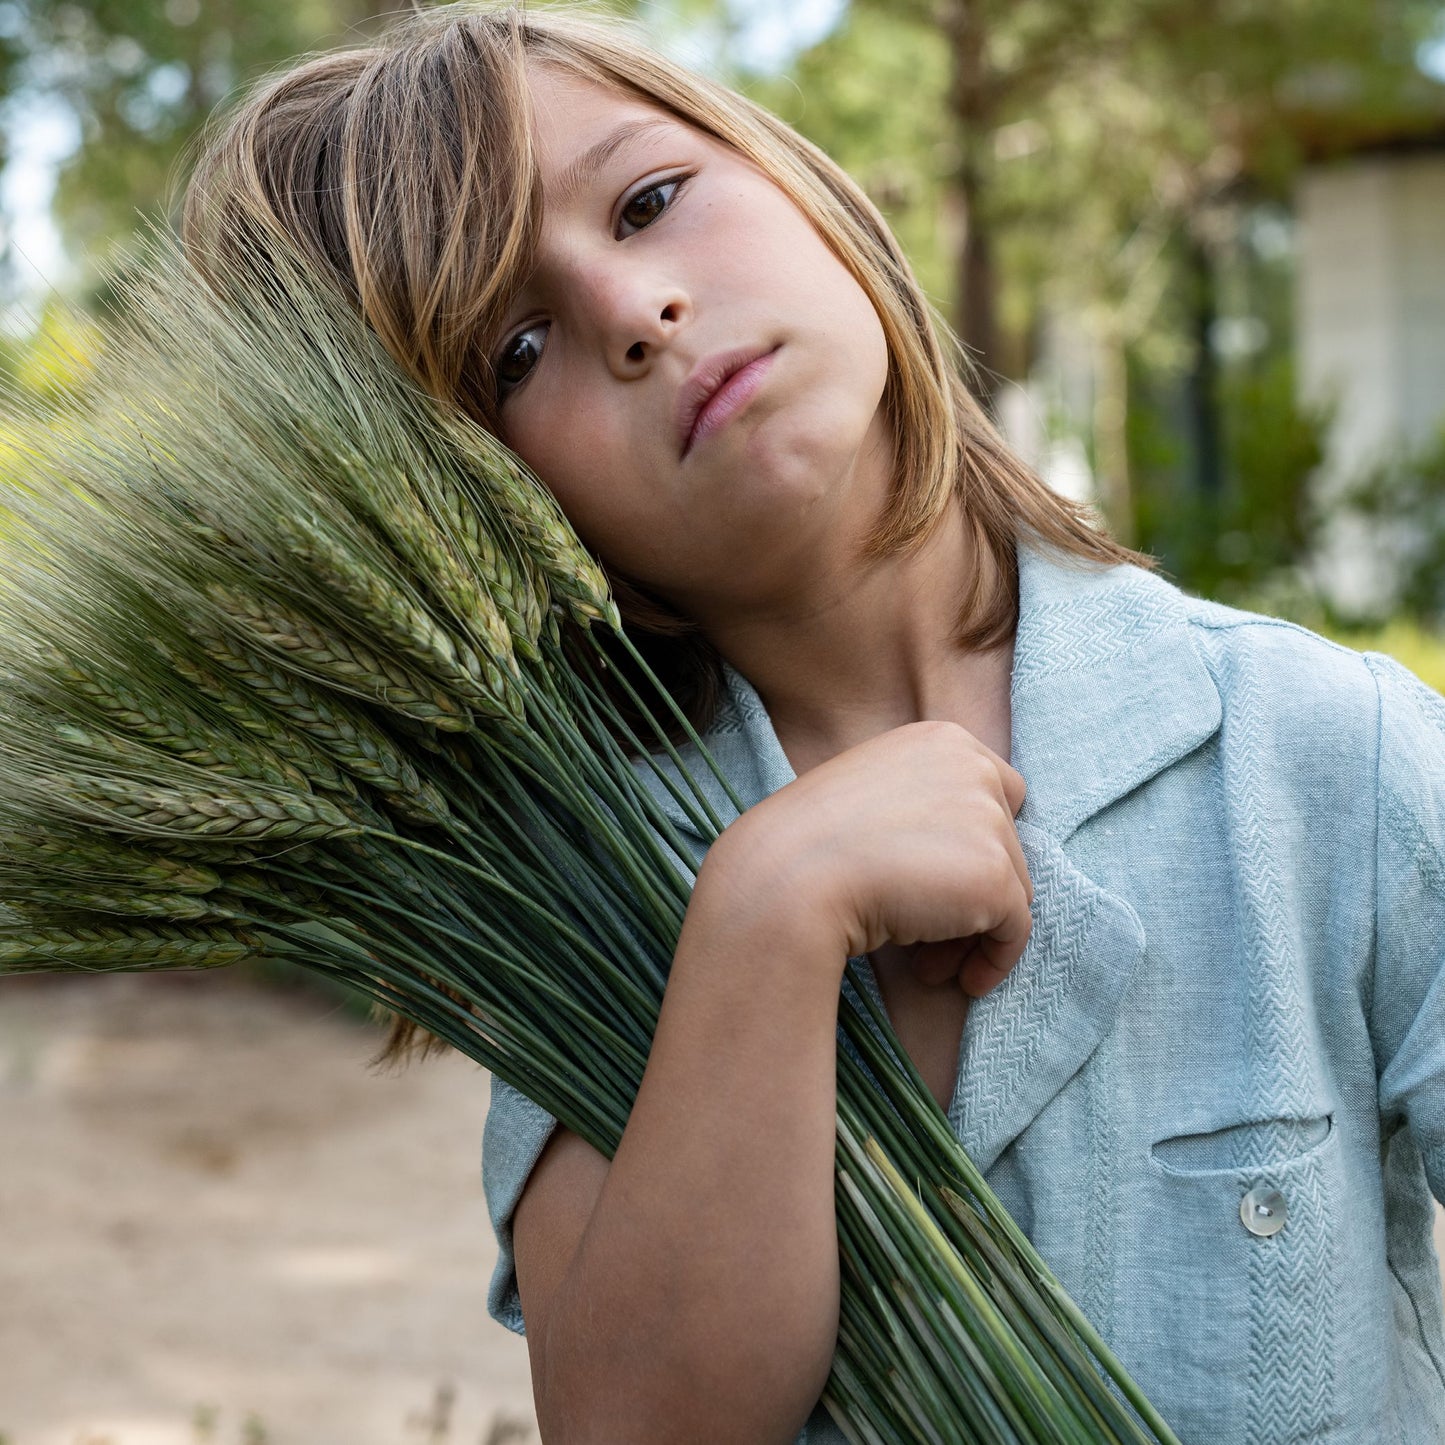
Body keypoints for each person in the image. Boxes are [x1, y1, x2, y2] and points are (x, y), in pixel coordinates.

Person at [179, 4, 1445, 1441]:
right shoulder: (577, 907)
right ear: (465, 502)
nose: (632, 311)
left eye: (650, 201)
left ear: (803, 182)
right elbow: (639, 1423)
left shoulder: (1319, 753)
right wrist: (765, 919)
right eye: (516, 351)